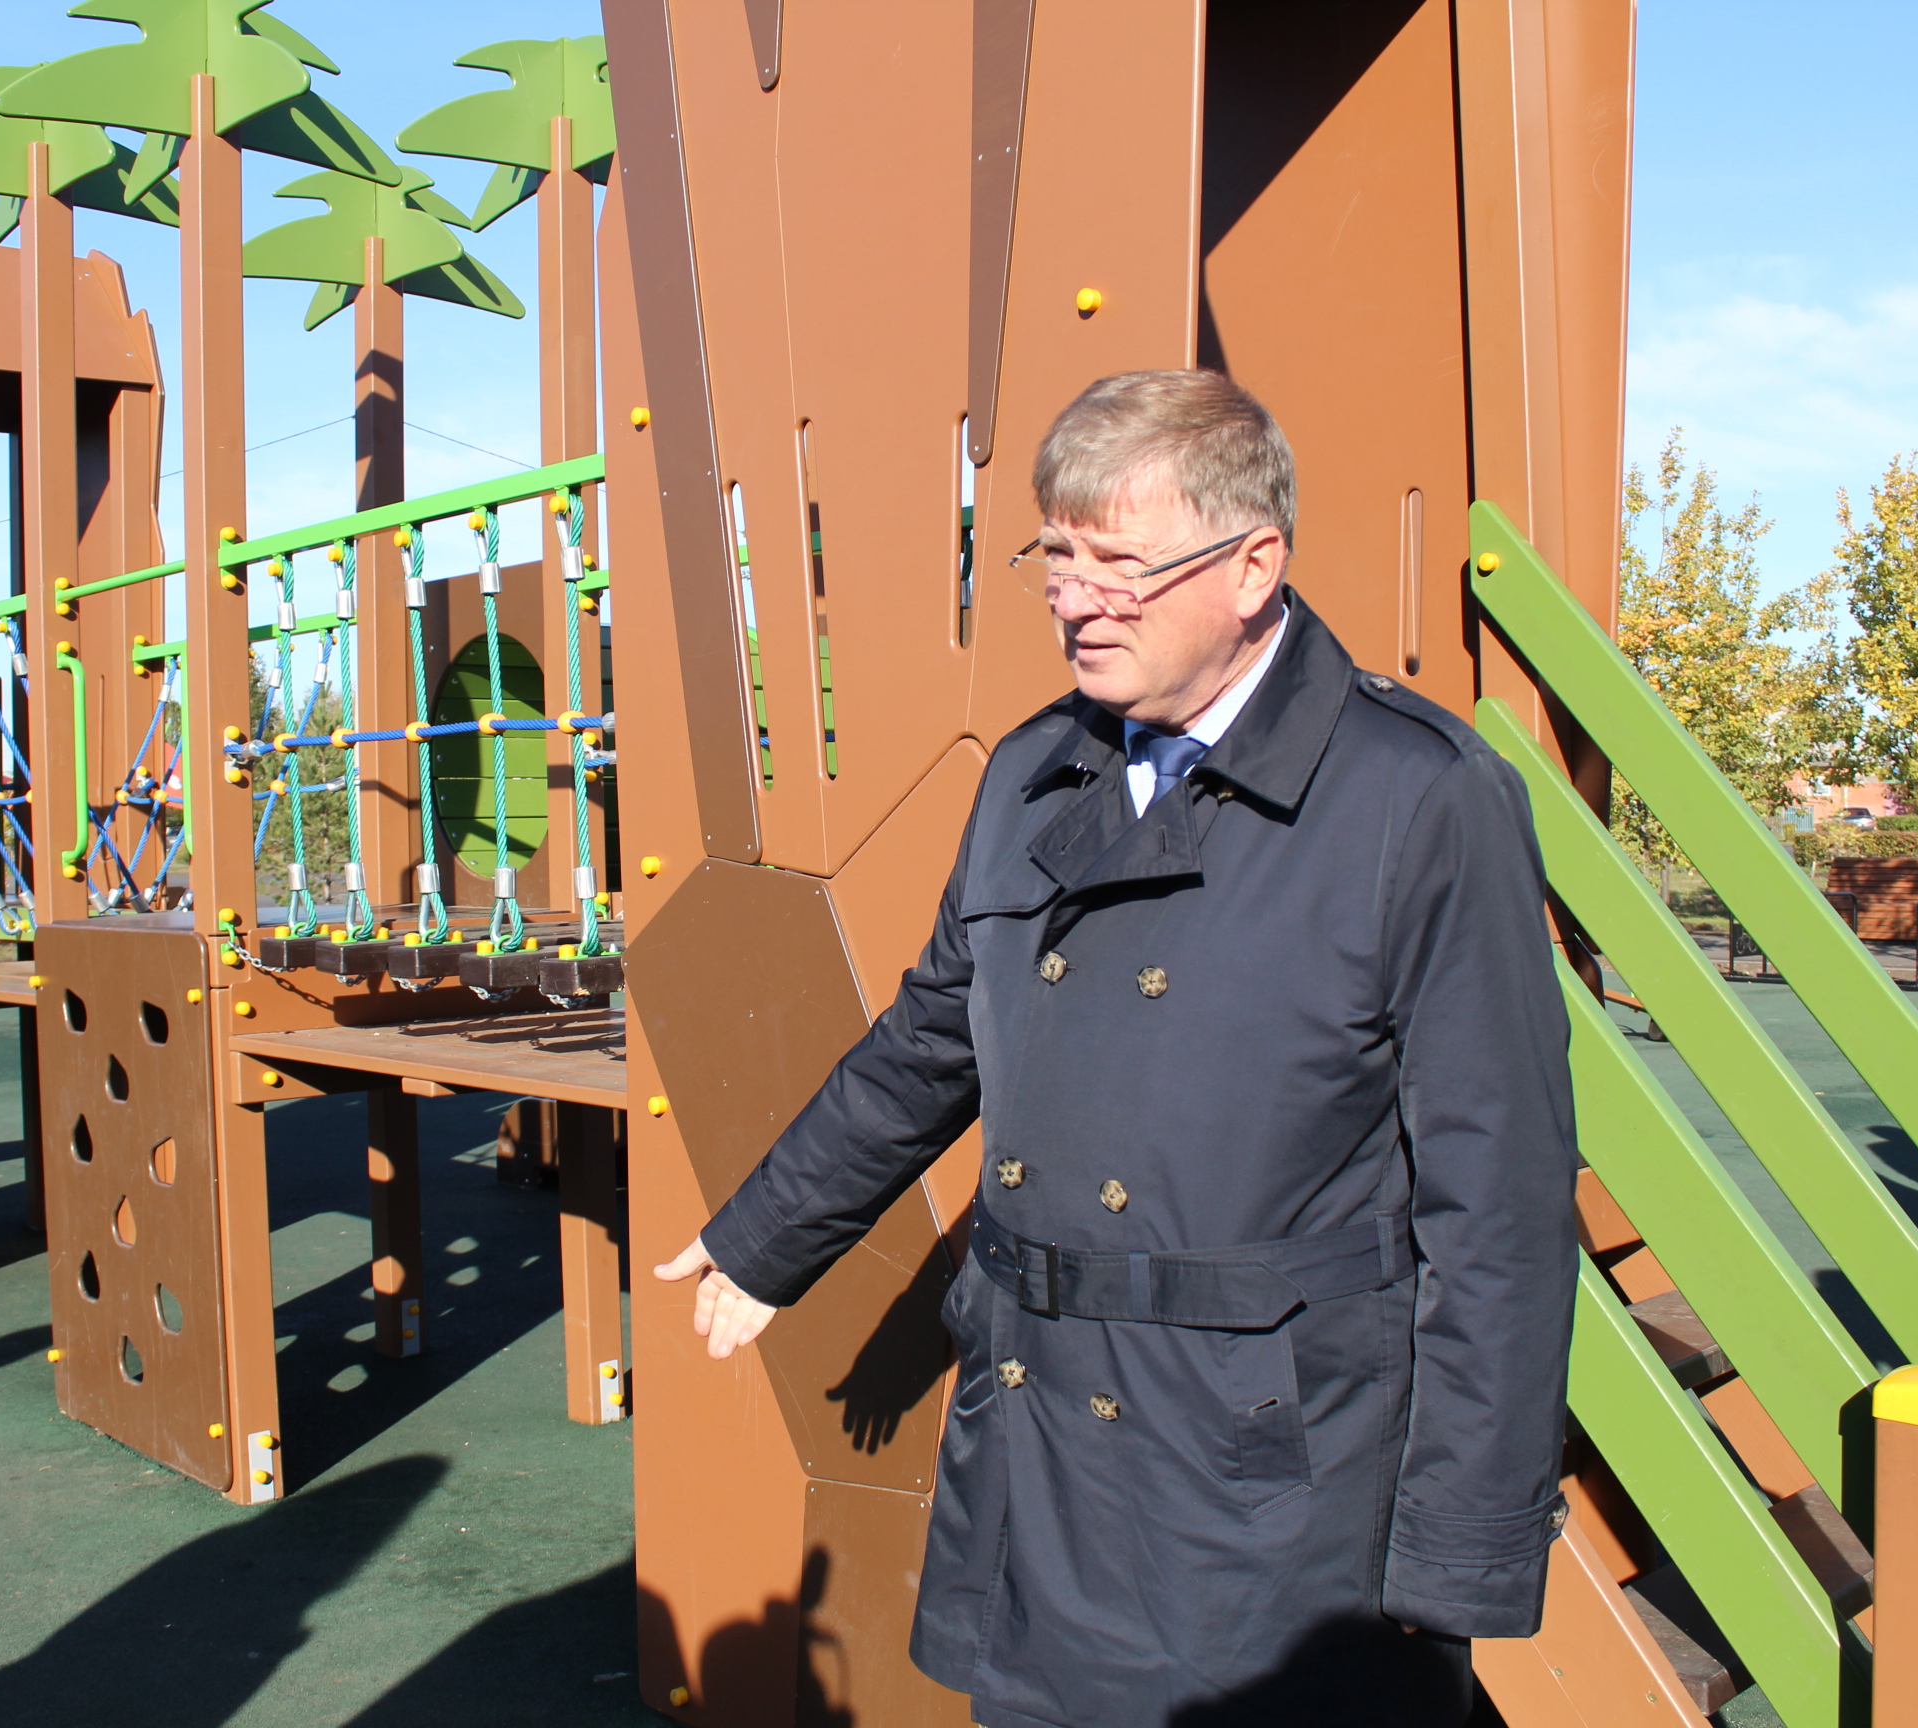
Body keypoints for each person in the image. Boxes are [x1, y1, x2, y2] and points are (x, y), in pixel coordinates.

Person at [654, 370, 1579, 1728]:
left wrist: (1459, 1548)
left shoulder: (1417, 796)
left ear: (1254, 566)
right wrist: (768, 1234)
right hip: (1041, 1440)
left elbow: (1498, 1204)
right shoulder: (1031, 773)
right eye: (1056, 558)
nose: (1078, 600)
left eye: (1122, 566)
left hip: (1274, 1483)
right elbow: (932, 1037)